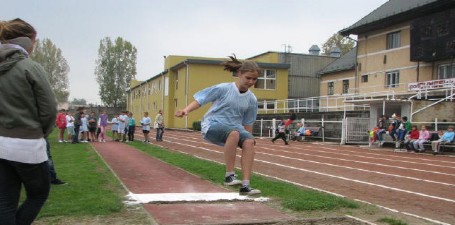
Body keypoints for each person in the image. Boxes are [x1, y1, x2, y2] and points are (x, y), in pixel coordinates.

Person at [175, 55, 261, 196]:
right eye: (248, 78)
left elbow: (248, 122)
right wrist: (186, 110)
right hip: (213, 124)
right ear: (239, 74)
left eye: (254, 79)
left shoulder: (251, 99)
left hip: (235, 128)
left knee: (249, 141)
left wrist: (249, 142)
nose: (251, 82)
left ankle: (245, 186)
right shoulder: (224, 89)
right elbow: (201, 99)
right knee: (234, 133)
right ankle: (229, 176)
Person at [0, 18, 57, 225]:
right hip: (27, 142)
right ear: (27, 41)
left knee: (5, 200)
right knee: (38, 194)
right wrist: (40, 132)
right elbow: (49, 109)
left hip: (0, 142)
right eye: (35, 41)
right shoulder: (29, 67)